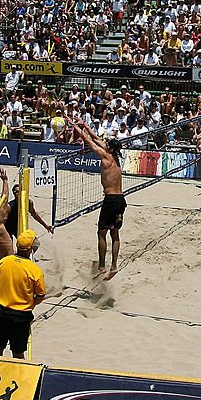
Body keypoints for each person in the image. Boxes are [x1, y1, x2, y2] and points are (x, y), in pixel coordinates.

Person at [69, 117, 125, 280]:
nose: (104, 144)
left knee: (101, 233)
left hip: (111, 200)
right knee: (115, 234)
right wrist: (84, 124)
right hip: (120, 199)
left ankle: (102, 266)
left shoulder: (106, 157)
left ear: (110, 149)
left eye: (107, 144)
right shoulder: (115, 157)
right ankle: (114, 266)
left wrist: (75, 127)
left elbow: (90, 141)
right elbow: (97, 139)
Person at [0, 230, 45, 360]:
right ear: (31, 248)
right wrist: (31, 304)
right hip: (20, 316)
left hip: (0, 311)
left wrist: (1, 296)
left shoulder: (4, 262)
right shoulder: (35, 270)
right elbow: (40, 295)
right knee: (18, 353)